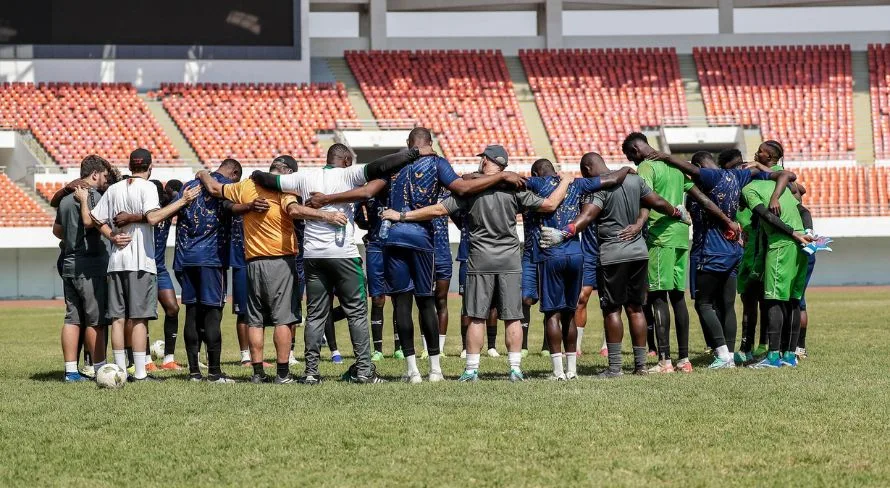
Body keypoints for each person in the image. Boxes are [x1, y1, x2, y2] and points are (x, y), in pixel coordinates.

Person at [312, 129, 525, 383]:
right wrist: (502, 176)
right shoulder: (437, 163)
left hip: (393, 237)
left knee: (401, 304)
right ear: (430, 144)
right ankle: (435, 370)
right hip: (423, 239)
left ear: (408, 144)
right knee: (427, 303)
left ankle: (412, 371)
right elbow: (463, 187)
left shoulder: (394, 165)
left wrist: (327, 199)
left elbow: (367, 192)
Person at [382, 144, 568, 382]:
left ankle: (471, 370)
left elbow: (439, 209)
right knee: (513, 317)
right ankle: (514, 369)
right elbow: (550, 204)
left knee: (477, 316)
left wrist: (402, 215)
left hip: (480, 259)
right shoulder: (514, 189)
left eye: (483, 159)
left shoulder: (470, 191)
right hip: (510, 260)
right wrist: (565, 181)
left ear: (486, 161)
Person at [251, 145, 430, 384]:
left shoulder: (303, 177)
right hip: (343, 254)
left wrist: (255, 175)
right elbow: (380, 166)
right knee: (356, 312)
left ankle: (312, 373)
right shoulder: (349, 174)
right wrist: (412, 154)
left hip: (313, 255)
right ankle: (365, 371)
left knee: (315, 315)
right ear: (346, 160)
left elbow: (268, 179)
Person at [540, 152, 691, 377]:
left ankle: (615, 367)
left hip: (613, 254)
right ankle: (640, 366)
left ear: (588, 169)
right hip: (639, 253)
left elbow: (588, 215)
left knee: (612, 310)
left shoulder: (600, 188)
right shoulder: (634, 180)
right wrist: (677, 212)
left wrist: (565, 232)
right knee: (636, 308)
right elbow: (656, 202)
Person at [198, 155, 344, 384]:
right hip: (280, 260)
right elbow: (295, 211)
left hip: (253, 261)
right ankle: (283, 374)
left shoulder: (246, 186)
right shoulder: (284, 190)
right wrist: (327, 215)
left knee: (254, 320)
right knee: (284, 319)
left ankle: (257, 373)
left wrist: (202, 173)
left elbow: (215, 188)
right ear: (286, 173)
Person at [648, 149, 795, 368]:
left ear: (700, 166)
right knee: (727, 305)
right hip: (734, 250)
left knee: (704, 303)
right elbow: (787, 175)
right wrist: (760, 166)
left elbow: (689, 171)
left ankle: (723, 354)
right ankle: (729, 353)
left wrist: (665, 157)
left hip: (710, 250)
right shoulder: (737, 175)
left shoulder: (711, 176)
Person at [90, 148, 200, 382]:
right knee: (139, 318)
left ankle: (119, 370)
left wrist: (111, 236)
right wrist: (183, 200)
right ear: (150, 168)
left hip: (116, 261)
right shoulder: (149, 187)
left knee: (118, 319)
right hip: (141, 262)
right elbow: (153, 218)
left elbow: (96, 218)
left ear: (130, 166)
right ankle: (140, 373)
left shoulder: (114, 188)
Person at [525, 158, 633, 379]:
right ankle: (572, 370)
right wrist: (626, 169)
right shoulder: (577, 184)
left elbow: (511, 182)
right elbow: (612, 179)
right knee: (569, 314)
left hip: (550, 254)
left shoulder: (535, 184)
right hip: (576, 254)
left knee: (552, 315)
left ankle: (557, 371)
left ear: (536, 172)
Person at [621, 132, 695, 373]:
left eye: (629, 156)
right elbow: (696, 193)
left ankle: (664, 361)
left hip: (660, 236)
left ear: (634, 150)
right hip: (682, 236)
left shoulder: (646, 167)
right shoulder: (673, 166)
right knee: (677, 297)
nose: (632, 161)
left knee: (658, 296)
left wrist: (640, 223)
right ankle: (684, 359)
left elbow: (647, 199)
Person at [741, 142, 813, 369]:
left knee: (773, 300)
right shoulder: (785, 187)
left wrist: (792, 233)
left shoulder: (750, 190)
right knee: (792, 300)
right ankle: (790, 355)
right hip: (801, 245)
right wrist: (804, 233)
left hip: (781, 245)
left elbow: (768, 217)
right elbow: (803, 209)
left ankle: (773, 357)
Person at [173, 159, 245, 383]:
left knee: (191, 314)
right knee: (213, 315)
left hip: (187, 257)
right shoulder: (228, 187)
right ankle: (214, 372)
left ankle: (194, 372)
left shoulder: (187, 186)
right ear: (234, 173)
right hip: (212, 258)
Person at [53, 155, 111, 382]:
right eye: (104, 176)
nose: (105, 180)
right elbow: (94, 223)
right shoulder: (95, 196)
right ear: (95, 174)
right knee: (95, 320)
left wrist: (70, 240)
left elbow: (56, 230)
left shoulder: (66, 200)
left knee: (72, 318)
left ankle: (70, 371)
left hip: (69, 264)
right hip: (91, 266)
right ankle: (100, 369)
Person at [354, 191, 400, 361]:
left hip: (396, 244)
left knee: (398, 296)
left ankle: (399, 348)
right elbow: (358, 216)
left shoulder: (398, 186)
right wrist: (372, 226)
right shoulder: (369, 192)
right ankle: (378, 350)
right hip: (375, 245)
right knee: (377, 298)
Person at [152, 179, 184, 371]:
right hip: (143, 268)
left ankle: (168, 359)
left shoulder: (167, 209)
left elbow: (178, 196)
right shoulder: (143, 213)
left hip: (160, 267)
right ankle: (144, 360)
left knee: (173, 308)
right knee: (143, 315)